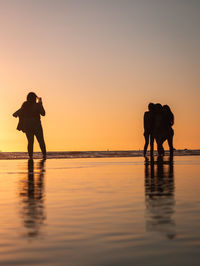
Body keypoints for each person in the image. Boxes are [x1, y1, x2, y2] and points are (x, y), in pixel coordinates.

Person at [13, 92, 46, 159]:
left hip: (27, 126)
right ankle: (44, 156)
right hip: (37, 125)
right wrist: (40, 104)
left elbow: (14, 114)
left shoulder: (24, 106)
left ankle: (30, 157)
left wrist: (23, 117)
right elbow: (43, 113)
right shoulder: (37, 105)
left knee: (30, 142)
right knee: (41, 141)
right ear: (34, 98)